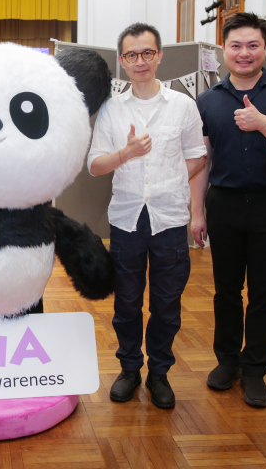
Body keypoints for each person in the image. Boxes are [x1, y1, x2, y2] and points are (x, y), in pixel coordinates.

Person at [190, 12, 266, 408]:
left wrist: (263, 123)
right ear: (223, 49)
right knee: (226, 291)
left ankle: (256, 369)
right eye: (236, 45)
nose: (244, 53)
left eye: (252, 45)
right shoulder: (207, 100)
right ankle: (227, 361)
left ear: (265, 47)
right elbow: (202, 162)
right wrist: (197, 213)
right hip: (223, 206)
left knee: (264, 293)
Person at [88, 23, 206, 408]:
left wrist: (168, 182)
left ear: (159, 55)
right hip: (127, 219)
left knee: (166, 302)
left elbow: (197, 156)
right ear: (122, 61)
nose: (140, 61)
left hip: (169, 218)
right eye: (132, 55)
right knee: (126, 301)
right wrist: (126, 154)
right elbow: (95, 166)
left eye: (147, 53)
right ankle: (129, 369)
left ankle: (159, 373)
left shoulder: (183, 106)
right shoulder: (111, 109)